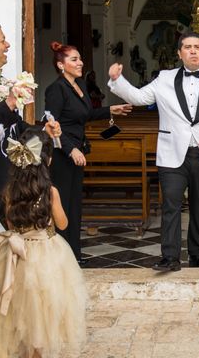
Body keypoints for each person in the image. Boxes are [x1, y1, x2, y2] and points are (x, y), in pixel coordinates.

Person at [107, 31, 199, 271]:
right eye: (187, 47)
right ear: (179, 53)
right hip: (171, 155)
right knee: (171, 205)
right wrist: (118, 80)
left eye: (197, 46)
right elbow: (138, 97)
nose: (193, 50)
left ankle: (198, 257)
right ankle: (170, 258)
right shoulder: (164, 78)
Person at [0, 129, 87, 357]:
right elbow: (62, 224)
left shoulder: (10, 191)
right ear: (48, 160)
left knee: (19, 313)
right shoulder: (51, 192)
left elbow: (11, 225)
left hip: (18, 255)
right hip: (47, 255)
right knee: (45, 310)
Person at [0, 21, 61, 228]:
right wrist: (8, 103)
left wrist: (43, 130)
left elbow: (16, 124)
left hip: (4, 175)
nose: (7, 45)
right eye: (2, 40)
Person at [45, 41, 131, 262]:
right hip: (63, 155)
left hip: (78, 151)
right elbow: (52, 124)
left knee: (75, 205)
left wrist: (110, 110)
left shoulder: (79, 85)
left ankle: (74, 253)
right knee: (61, 205)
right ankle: (61, 256)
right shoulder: (56, 89)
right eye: (74, 59)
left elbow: (86, 114)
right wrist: (70, 149)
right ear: (60, 65)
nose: (80, 62)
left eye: (79, 58)